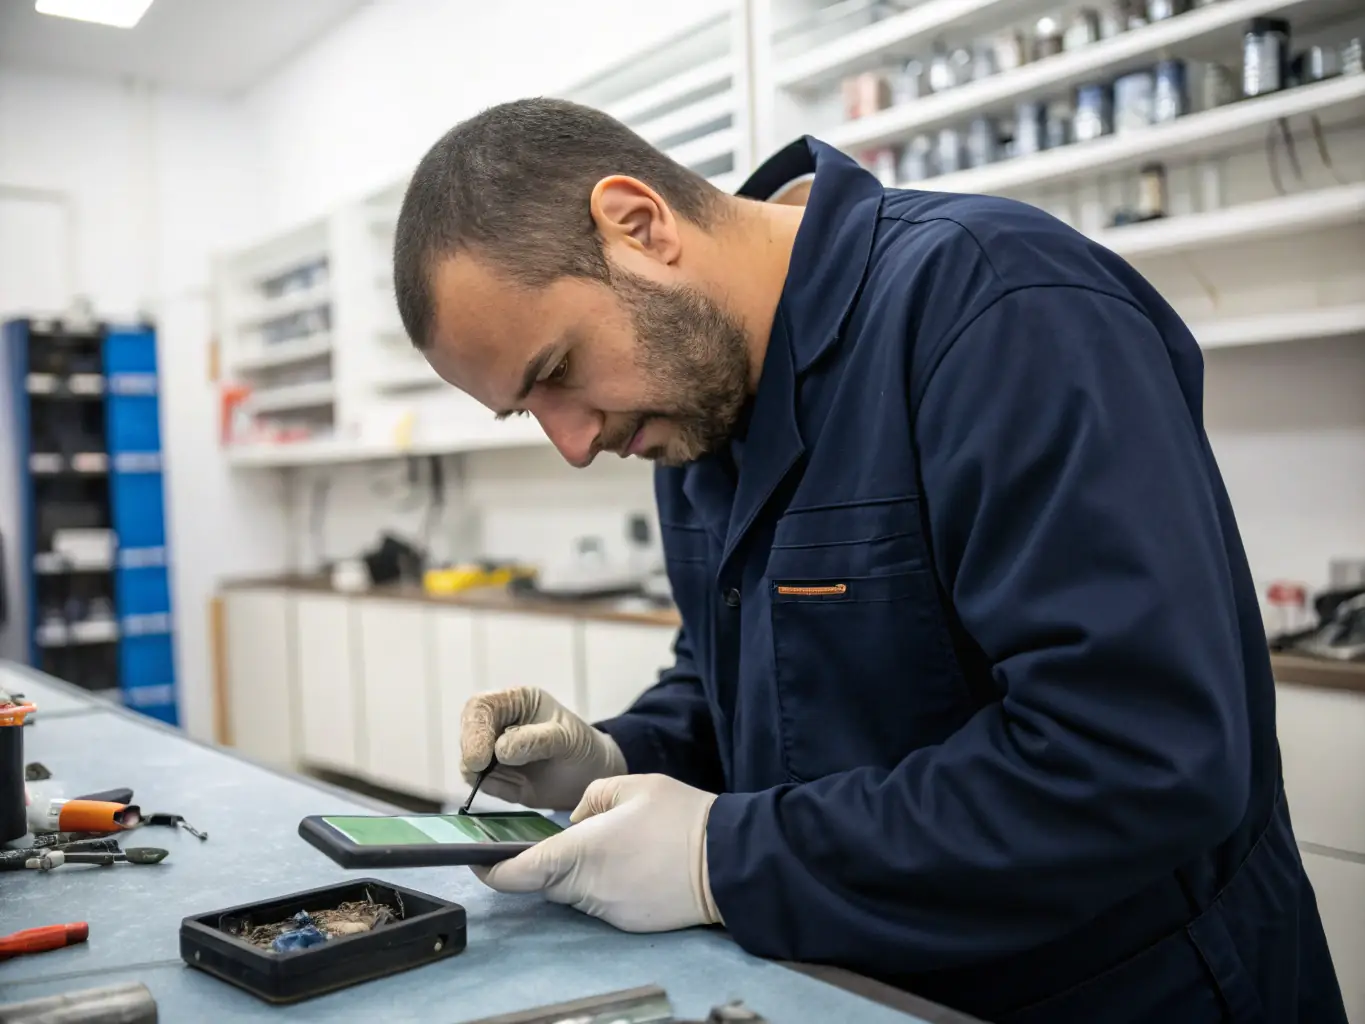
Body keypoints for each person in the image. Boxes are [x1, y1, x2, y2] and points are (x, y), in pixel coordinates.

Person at [391, 98, 1346, 1023]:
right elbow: (758, 688)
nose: (572, 440)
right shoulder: (687, 410)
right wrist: (617, 760)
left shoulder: (1001, 309)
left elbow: (1133, 757)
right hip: (862, 984)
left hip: (1126, 989)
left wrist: (720, 860)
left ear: (639, 225)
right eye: (528, 411)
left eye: (555, 370)